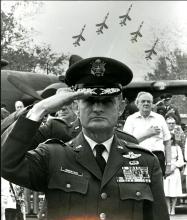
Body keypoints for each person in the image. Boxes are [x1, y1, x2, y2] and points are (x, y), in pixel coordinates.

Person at [2, 57, 169, 220]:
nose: (97, 108)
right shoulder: (52, 157)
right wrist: (40, 108)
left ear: (121, 107)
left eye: (107, 102)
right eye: (89, 101)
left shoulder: (146, 162)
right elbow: (6, 163)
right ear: (76, 106)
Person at [123, 91, 171, 176]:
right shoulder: (131, 119)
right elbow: (126, 143)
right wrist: (147, 134)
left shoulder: (160, 118)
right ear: (137, 104)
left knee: (157, 187)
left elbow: (167, 142)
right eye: (143, 101)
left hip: (157, 157)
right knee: (138, 187)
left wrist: (169, 165)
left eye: (148, 101)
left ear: (152, 104)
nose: (146, 103)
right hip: (137, 157)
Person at [164, 134, 184, 215]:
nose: (170, 141)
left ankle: (173, 209)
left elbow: (181, 160)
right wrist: (166, 169)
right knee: (166, 190)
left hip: (174, 170)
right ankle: (168, 208)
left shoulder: (177, 147)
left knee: (174, 190)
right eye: (168, 139)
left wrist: (174, 167)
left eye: (171, 139)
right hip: (165, 170)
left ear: (173, 139)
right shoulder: (163, 147)